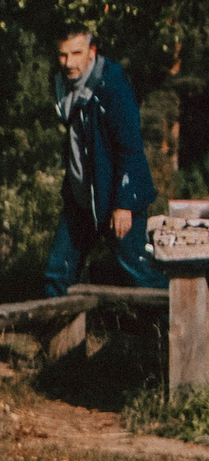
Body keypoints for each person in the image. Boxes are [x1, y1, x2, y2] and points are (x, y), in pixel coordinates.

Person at [45, 27, 166, 293]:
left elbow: (130, 148)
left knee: (139, 271)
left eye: (76, 53)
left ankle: (179, 328)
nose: (69, 63)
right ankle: (58, 334)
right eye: (63, 55)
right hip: (81, 199)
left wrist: (123, 204)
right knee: (58, 272)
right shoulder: (63, 85)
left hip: (117, 199)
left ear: (92, 52)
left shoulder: (113, 87)